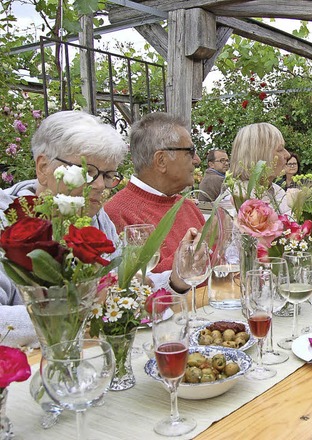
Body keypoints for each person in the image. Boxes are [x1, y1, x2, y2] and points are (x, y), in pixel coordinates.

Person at [0, 110, 127, 347]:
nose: (99, 185)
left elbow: (117, 281)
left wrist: (175, 281)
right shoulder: (5, 221)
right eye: (87, 172)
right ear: (43, 168)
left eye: (108, 175)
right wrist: (73, 312)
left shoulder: (96, 217)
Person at [104, 112, 206, 278]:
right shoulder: (118, 214)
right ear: (161, 160)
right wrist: (197, 245)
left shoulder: (186, 205)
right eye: (190, 151)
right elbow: (142, 285)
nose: (197, 160)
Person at [222, 122, 291, 215]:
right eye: (280, 150)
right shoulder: (237, 198)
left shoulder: (278, 191)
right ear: (259, 156)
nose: (287, 155)